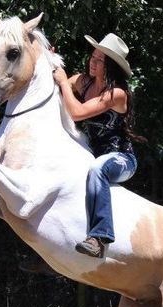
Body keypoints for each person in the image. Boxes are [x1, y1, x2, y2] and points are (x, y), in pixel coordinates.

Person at [53, 33, 143, 258]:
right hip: (92, 154)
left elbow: (77, 112)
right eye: (92, 57)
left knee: (97, 169)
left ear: (111, 66)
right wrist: (50, 62)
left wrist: (64, 82)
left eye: (99, 60)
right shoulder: (84, 82)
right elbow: (55, 83)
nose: (92, 62)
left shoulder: (117, 94)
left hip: (121, 159)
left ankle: (100, 238)